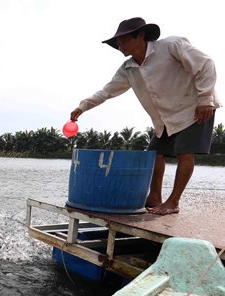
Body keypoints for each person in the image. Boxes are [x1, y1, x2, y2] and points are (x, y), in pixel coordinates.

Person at [70, 17, 220, 215]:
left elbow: (206, 64)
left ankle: (173, 202)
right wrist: (82, 107)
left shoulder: (171, 46)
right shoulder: (128, 68)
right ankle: (155, 196)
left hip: (195, 108)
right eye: (117, 42)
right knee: (153, 154)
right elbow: (107, 91)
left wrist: (205, 99)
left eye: (123, 40)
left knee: (185, 152)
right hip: (165, 118)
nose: (119, 44)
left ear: (141, 36)